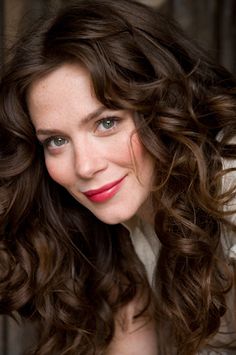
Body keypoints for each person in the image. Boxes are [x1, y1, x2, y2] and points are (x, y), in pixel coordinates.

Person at [0, 0, 236, 354]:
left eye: (106, 123)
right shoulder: (128, 221)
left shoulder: (229, 180)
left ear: (160, 107)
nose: (84, 166)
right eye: (57, 141)